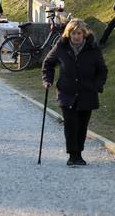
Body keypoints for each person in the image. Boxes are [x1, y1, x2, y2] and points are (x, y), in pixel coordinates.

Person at [43, 19, 108, 166]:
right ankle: (73, 155)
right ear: (69, 34)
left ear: (84, 34)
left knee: (82, 126)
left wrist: (96, 86)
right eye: (73, 33)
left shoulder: (93, 49)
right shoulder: (61, 47)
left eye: (79, 33)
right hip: (67, 92)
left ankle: (79, 152)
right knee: (71, 125)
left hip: (87, 93)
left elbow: (102, 70)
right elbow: (48, 64)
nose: (76, 36)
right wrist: (48, 80)